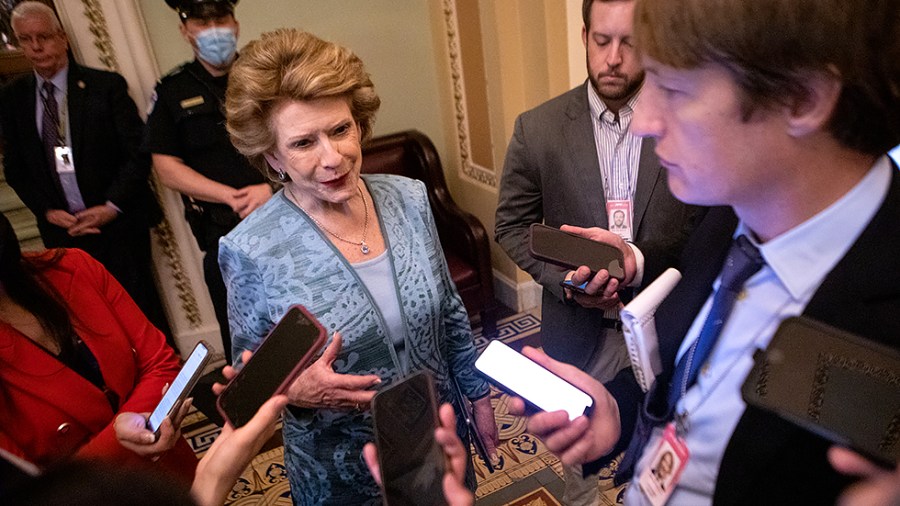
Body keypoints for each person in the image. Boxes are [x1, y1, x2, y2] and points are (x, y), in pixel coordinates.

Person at [511, 0, 900, 503]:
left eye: (674, 89)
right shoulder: (729, 215)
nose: (644, 121)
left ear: (802, 99)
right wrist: (620, 413)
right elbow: (687, 379)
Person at [220, 28, 499, 505]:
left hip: (438, 438)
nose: (333, 157)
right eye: (304, 143)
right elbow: (249, 388)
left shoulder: (408, 198)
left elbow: (450, 309)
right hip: (341, 469)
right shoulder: (250, 249)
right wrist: (298, 391)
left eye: (340, 130)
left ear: (359, 123)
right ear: (272, 157)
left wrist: (478, 397)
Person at [493, 0, 701, 501]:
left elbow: (703, 228)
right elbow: (511, 224)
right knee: (581, 463)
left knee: (667, 453)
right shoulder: (536, 128)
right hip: (577, 334)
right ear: (584, 35)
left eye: (629, 42)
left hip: (668, 327)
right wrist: (566, 283)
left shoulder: (685, 121)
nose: (613, 58)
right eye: (602, 40)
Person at [0, 1, 168, 338]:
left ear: (62, 37)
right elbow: (16, 168)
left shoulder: (105, 87)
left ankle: (171, 383)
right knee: (93, 322)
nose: (35, 47)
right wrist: (47, 211)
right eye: (25, 39)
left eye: (43, 37)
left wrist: (109, 208)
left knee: (142, 313)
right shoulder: (13, 98)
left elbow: (138, 153)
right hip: (63, 233)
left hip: (117, 226)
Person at [0, 212, 197, 480]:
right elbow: (24, 486)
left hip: (172, 469)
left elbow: (160, 362)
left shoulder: (72, 267)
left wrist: (128, 423)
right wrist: (121, 437)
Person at [144, 0, 272, 363]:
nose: (213, 28)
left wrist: (272, 189)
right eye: (201, 21)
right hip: (222, 233)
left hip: (282, 218)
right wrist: (231, 197)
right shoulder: (172, 90)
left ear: (235, 23)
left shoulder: (264, 77)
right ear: (185, 31)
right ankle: (254, 413)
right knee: (243, 338)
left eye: (220, 18)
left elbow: (296, 140)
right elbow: (166, 167)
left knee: (304, 321)